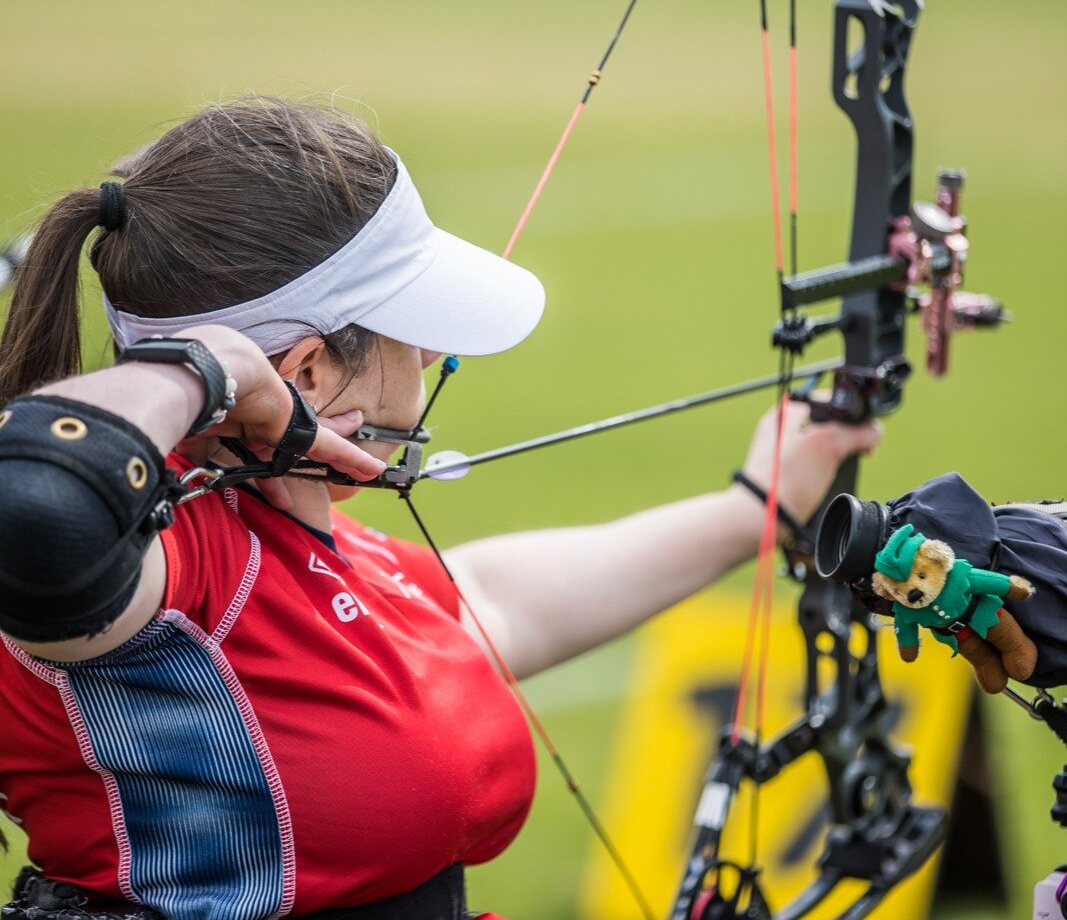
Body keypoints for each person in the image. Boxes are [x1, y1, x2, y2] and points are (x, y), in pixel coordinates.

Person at [0, 99, 880, 920]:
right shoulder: (167, 557)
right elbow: (39, 504)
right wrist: (211, 364)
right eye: (406, 328)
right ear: (304, 374)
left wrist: (756, 504)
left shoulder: (295, 538)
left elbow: (483, 605)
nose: (431, 354)